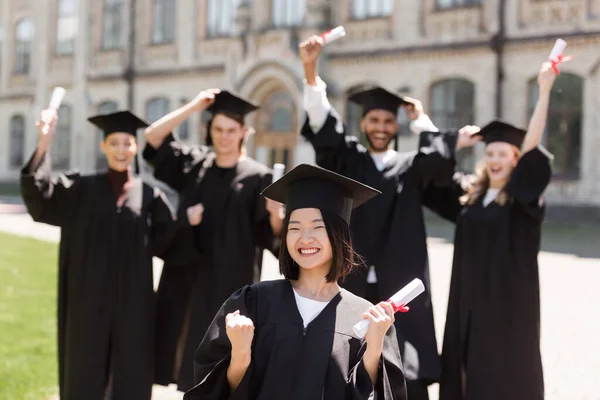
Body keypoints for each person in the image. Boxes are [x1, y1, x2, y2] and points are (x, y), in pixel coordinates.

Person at [298, 35, 480, 399]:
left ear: (395, 126)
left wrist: (421, 120)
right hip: (353, 274)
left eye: (387, 121)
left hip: (401, 279)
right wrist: (310, 69)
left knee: (405, 355)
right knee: (347, 347)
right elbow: (324, 128)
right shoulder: (350, 161)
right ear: (364, 124)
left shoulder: (411, 169)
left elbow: (438, 162)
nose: (381, 127)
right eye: (374, 120)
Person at [183, 163, 407, 399]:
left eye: (318, 227)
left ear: (338, 234)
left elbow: (370, 393)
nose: (305, 238)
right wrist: (240, 354)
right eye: (294, 227)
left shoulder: (364, 317)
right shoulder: (253, 303)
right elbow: (216, 392)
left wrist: (373, 346)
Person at [20, 109, 182, 400]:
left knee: (131, 375)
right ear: (103, 146)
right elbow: (39, 197)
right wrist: (45, 142)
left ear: (135, 147)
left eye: (127, 143)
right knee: (85, 374)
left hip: (133, 308)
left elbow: (174, 245)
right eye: (115, 143)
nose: (122, 150)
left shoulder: (149, 197)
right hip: (87, 305)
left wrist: (190, 220)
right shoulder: (81, 189)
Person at [143, 89, 284, 392]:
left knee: (223, 373)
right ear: (209, 129)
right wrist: (193, 106)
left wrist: (277, 216)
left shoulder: (260, 178)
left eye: (232, 130)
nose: (224, 136)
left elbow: (272, 238)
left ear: (244, 132)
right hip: (188, 283)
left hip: (229, 287)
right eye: (218, 129)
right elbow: (153, 138)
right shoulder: (195, 165)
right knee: (185, 363)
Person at [436, 62, 556, 400]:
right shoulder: (471, 197)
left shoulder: (522, 202)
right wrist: (452, 141)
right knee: (464, 373)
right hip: (467, 304)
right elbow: (433, 180)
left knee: (504, 377)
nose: (495, 159)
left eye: (503, 153)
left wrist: (544, 89)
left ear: (517, 160)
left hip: (507, 308)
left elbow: (533, 149)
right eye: (489, 153)